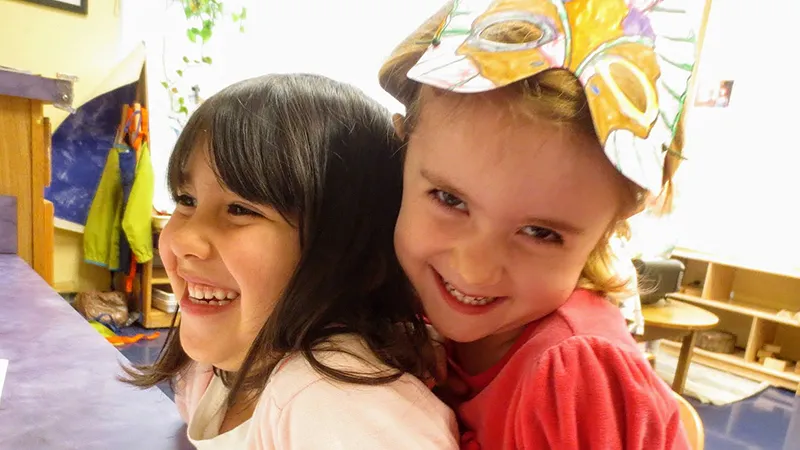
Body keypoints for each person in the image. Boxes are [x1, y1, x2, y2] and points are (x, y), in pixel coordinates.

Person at [378, 0, 696, 448]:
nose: (475, 270)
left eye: (541, 233)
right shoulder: (414, 316)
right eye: (450, 200)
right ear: (402, 152)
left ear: (612, 225)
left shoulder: (573, 375)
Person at [123, 74, 458, 449]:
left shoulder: (332, 399)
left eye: (239, 209)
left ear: (348, 253)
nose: (183, 238)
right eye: (186, 200)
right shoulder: (215, 367)